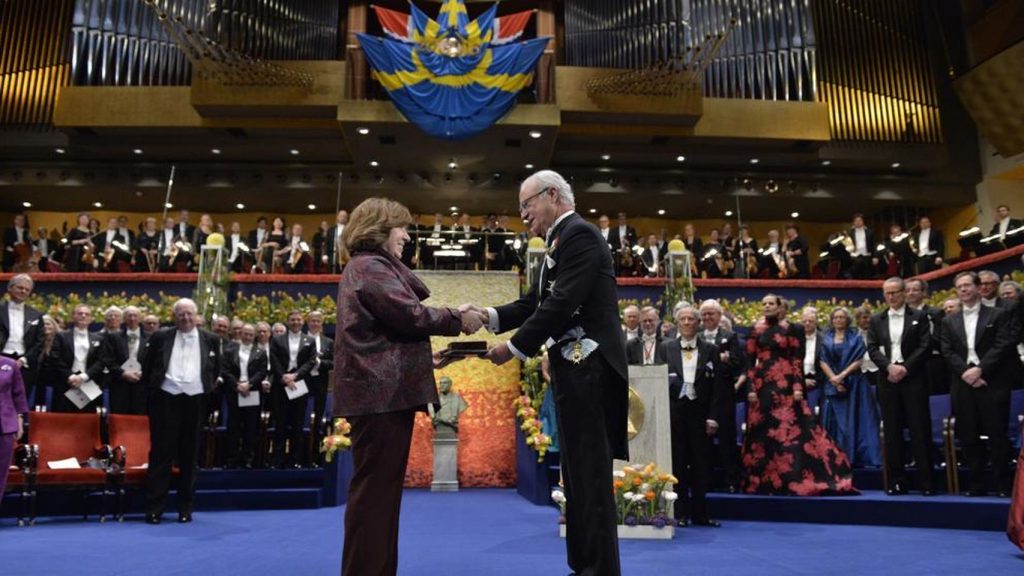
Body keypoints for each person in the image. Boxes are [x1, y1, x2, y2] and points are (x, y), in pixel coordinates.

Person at [467, 170, 628, 576]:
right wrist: (486, 316)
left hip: (590, 371)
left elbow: (560, 304)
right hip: (573, 372)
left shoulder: (581, 235)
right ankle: (583, 565)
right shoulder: (559, 240)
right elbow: (533, 303)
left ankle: (599, 569)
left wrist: (513, 349)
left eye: (527, 204)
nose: (522, 215)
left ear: (552, 195)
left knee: (589, 477)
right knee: (575, 478)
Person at [333, 197, 479, 576]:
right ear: (380, 229)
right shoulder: (369, 266)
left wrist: (422, 360)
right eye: (401, 227)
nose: (406, 236)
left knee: (379, 497)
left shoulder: (364, 268)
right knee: (375, 498)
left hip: (380, 397)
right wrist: (457, 318)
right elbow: (410, 314)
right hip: (380, 401)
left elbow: (380, 334)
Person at [741, 294, 857, 495]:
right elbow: (750, 363)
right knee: (763, 430)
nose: (767, 306)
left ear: (779, 307)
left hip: (786, 383)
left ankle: (792, 477)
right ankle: (764, 480)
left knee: (791, 430)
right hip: (762, 385)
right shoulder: (755, 330)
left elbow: (796, 361)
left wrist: (797, 388)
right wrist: (751, 388)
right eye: (764, 304)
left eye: (771, 304)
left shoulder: (793, 329)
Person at [141, 298, 222, 524]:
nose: (185, 318)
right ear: (174, 316)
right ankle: (154, 508)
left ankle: (185, 508)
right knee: (161, 455)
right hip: (166, 399)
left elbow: (215, 369)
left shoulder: (211, 339)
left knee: (189, 456)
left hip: (195, 401)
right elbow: (148, 368)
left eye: (189, 314)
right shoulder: (160, 337)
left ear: (196, 316)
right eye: (181, 314)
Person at [941, 271, 1015, 497]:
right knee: (969, 435)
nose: (963, 290)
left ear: (978, 287)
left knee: (997, 434)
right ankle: (976, 484)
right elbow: (947, 350)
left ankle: (1003, 485)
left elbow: (1003, 345)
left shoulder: (998, 314)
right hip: (963, 383)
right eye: (959, 286)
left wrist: (980, 369)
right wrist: (966, 372)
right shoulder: (948, 320)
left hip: (991, 381)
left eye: (967, 285)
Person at [866, 277, 934, 495]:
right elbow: (872, 347)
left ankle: (927, 482)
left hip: (913, 379)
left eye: (895, 292)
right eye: (887, 293)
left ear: (904, 293)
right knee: (893, 431)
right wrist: (888, 367)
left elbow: (925, 346)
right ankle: (896, 481)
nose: (891, 296)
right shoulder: (877, 319)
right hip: (888, 380)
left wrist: (905, 368)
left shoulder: (920, 316)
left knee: (919, 429)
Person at [660, 305, 721, 527]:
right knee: (677, 464)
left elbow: (718, 387)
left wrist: (713, 417)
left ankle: (701, 514)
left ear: (698, 323)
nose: (687, 322)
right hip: (675, 414)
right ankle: (680, 513)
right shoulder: (665, 348)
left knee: (701, 464)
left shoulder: (710, 349)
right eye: (683, 319)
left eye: (691, 319)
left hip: (701, 415)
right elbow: (660, 380)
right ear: (678, 323)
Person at [818, 307, 881, 468]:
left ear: (848, 320)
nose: (839, 320)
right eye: (836, 317)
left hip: (855, 384)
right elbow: (822, 360)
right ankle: (835, 458)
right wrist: (834, 378)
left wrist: (842, 376)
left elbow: (859, 360)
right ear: (831, 320)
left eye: (842, 317)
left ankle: (857, 456)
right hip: (832, 383)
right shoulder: (825, 338)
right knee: (836, 422)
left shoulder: (856, 337)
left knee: (857, 419)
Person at [697, 299, 743, 492]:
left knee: (726, 439)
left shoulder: (730, 336)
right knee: (701, 441)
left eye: (711, 314)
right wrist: (719, 357)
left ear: (719, 316)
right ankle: (704, 480)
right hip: (701, 395)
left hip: (723, 395)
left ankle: (731, 480)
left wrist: (719, 360)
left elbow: (735, 363)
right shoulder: (696, 336)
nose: (708, 317)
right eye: (704, 314)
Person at [269, 310, 317, 469]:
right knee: (280, 422)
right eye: (292, 319)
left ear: (302, 322)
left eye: (298, 319)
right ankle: (278, 459)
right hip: (281, 385)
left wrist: (295, 376)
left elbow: (311, 362)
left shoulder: (309, 340)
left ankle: (295, 459)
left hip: (299, 385)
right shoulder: (277, 339)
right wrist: (284, 376)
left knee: (297, 423)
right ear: (288, 321)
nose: (295, 322)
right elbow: (274, 359)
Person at [222, 323, 267, 469]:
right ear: (240, 333)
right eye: (245, 333)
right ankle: (232, 459)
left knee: (250, 427)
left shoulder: (261, 351)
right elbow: (225, 370)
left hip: (252, 392)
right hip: (235, 391)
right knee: (233, 426)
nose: (247, 336)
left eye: (250, 334)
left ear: (254, 336)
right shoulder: (229, 349)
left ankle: (248, 459)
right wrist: (237, 385)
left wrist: (249, 384)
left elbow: (262, 372)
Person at [0, 274, 43, 407]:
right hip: (1, 358)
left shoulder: (36, 314)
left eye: (27, 289)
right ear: (10, 288)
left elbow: (39, 342)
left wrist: (23, 360)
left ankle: (16, 428)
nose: (23, 291)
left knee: (19, 402)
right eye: (20, 287)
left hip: (24, 364)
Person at [0, 353, 26, 507]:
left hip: (5, 423)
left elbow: (19, 395)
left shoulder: (10, 364)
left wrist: (20, 419)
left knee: (1, 471)